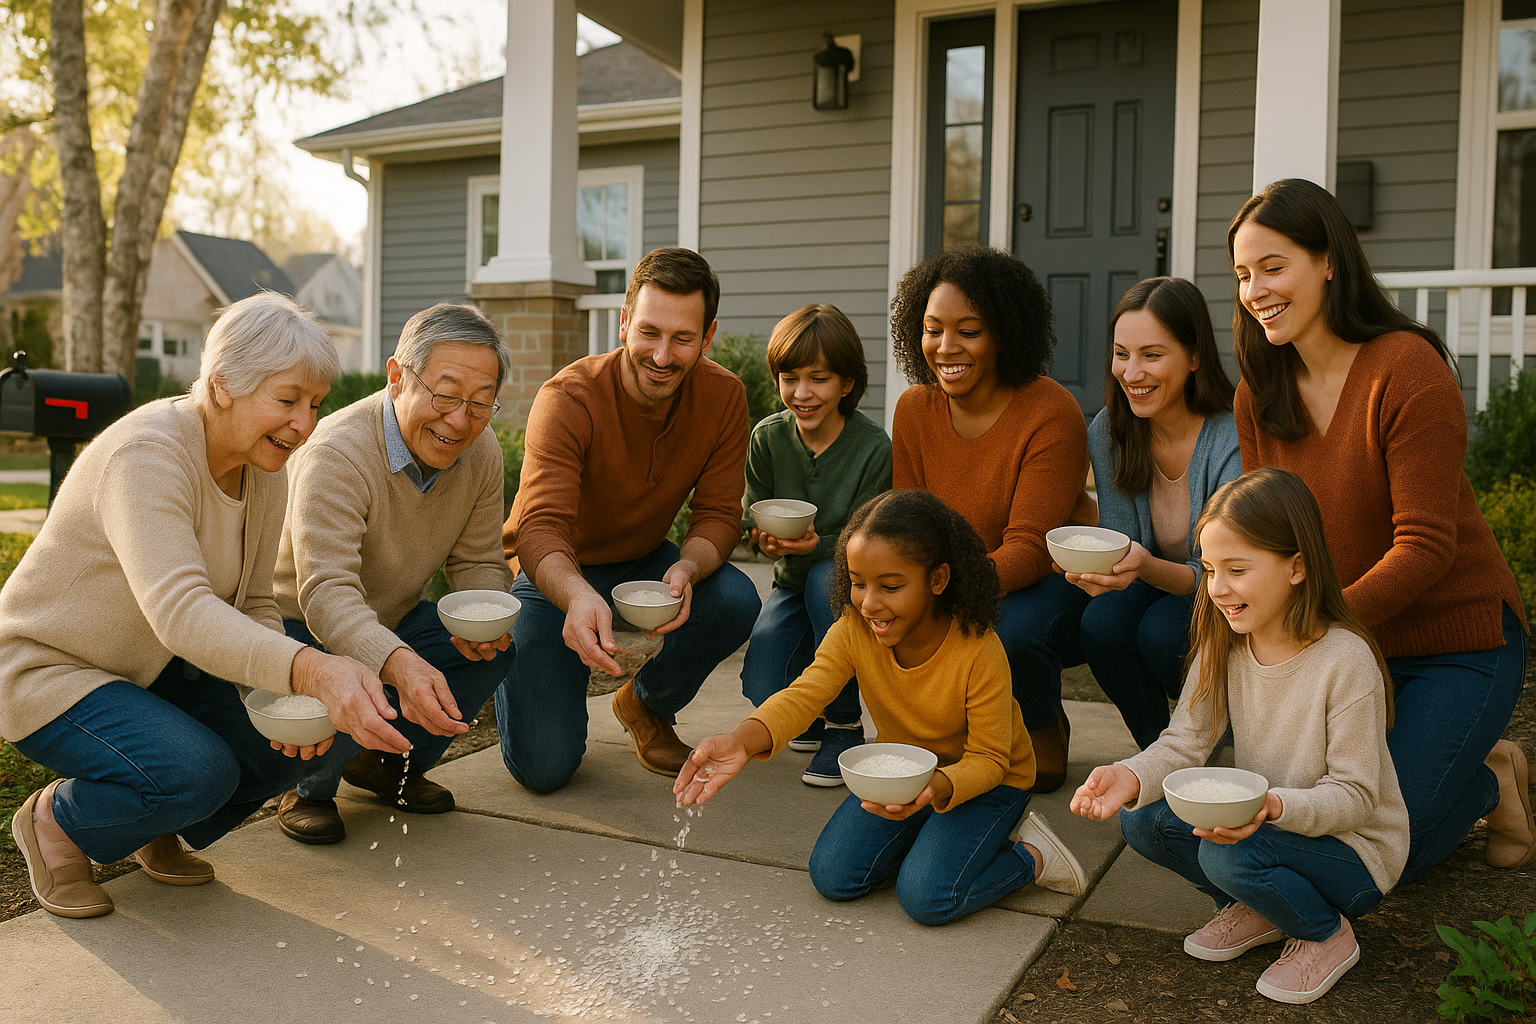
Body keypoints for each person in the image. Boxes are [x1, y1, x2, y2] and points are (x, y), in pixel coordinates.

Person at [1, 293, 408, 919]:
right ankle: (58, 823)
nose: (305, 424)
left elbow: (250, 601)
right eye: (288, 399)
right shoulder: (147, 454)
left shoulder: (263, 465)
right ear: (223, 385)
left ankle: (159, 821)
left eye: (315, 405)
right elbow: (182, 610)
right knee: (199, 772)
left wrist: (283, 702)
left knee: (310, 735)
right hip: (51, 669)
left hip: (153, 668)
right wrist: (310, 669)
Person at [1228, 178, 1531, 877]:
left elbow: (1425, 547)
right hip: (1353, 649)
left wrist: (1313, 630)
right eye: (1244, 274)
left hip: (1459, 640)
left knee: (1388, 852)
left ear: (1329, 260)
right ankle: (1478, 756)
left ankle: (1493, 778)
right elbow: (1263, 537)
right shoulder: (1259, 392)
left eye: (1274, 268)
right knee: (1314, 827)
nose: (1256, 291)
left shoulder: (1406, 368)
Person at [1070, 468, 1409, 1005]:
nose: (1218, 588)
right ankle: (1261, 906)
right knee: (1143, 819)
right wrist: (1129, 775)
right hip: (1266, 827)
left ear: (1297, 566)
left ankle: (1324, 933)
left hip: (1351, 853)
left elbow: (1357, 798)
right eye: (1207, 570)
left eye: (1237, 569)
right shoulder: (1225, 639)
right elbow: (1185, 742)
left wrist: (1270, 808)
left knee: (1227, 857)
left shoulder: (1345, 661)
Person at [677, 489, 1087, 925]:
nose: (869, 602)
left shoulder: (979, 648)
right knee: (833, 877)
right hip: (902, 778)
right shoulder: (855, 628)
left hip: (990, 781)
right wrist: (741, 740)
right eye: (857, 583)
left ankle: (1031, 856)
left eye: (890, 586)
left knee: (927, 898)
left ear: (938, 580)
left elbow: (989, 759)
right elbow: (805, 694)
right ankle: (933, 839)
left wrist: (934, 791)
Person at [500, 247, 762, 792]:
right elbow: (540, 526)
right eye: (649, 332)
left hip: (644, 559)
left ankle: (645, 704)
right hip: (555, 572)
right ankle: (529, 678)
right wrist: (574, 597)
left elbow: (717, 515)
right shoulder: (568, 398)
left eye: (682, 339)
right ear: (623, 323)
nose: (662, 356)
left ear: (707, 337)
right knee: (545, 768)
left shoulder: (723, 397)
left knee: (735, 598)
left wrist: (689, 566)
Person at [271, 303, 515, 844]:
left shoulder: (481, 451)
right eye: (446, 395)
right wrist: (396, 661)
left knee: (493, 650)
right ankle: (306, 786)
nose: (460, 421)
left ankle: (383, 766)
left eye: (480, 404)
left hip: (393, 616)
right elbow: (326, 595)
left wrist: (484, 618)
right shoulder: (337, 452)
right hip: (299, 628)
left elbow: (477, 561)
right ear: (398, 375)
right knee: (349, 669)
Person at [889, 245, 1096, 792]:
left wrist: (946, 593)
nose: (946, 347)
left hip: (1048, 583)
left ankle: (1042, 724)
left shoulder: (1050, 411)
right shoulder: (915, 408)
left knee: (1011, 629)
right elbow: (907, 526)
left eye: (969, 330)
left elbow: (1030, 546)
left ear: (1005, 332)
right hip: (956, 577)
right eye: (933, 329)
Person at [1070, 278, 1240, 749]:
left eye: (1152, 354)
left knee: (1164, 631)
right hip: (1157, 582)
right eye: (1122, 353)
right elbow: (1123, 538)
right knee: (1101, 622)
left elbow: (1222, 573)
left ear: (1195, 357)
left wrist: (1142, 565)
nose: (1131, 372)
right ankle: (1158, 755)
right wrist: (1102, 568)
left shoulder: (1229, 437)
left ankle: (1218, 735)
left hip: (1225, 589)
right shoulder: (1110, 430)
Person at [739, 303, 891, 787]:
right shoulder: (767, 438)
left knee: (828, 577)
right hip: (791, 584)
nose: (801, 394)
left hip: (848, 589)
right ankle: (815, 713)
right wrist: (763, 539)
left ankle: (844, 726)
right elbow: (752, 511)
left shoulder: (872, 447)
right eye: (789, 378)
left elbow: (873, 536)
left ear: (846, 383)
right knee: (763, 684)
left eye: (819, 379)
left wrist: (816, 546)